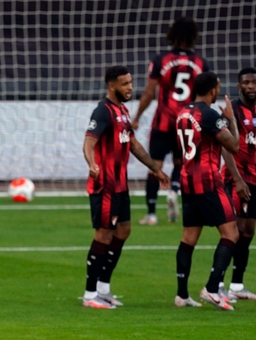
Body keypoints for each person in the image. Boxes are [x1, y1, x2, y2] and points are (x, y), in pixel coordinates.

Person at [81, 65, 170, 309]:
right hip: (105, 186)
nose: (130, 87)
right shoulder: (102, 111)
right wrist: (92, 164)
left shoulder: (122, 110)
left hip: (120, 185)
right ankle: (90, 294)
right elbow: (88, 142)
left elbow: (133, 144)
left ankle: (103, 288)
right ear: (112, 86)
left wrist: (155, 169)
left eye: (130, 82)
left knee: (124, 231)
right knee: (103, 235)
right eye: (125, 84)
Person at [174, 71, 246, 311]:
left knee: (189, 238)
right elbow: (234, 146)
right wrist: (230, 119)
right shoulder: (209, 115)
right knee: (231, 233)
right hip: (207, 181)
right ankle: (212, 288)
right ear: (213, 89)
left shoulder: (183, 113)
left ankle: (182, 295)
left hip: (187, 179)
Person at [132, 16, 210, 225]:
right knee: (181, 163)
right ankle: (174, 191)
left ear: (172, 34)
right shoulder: (202, 63)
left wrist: (136, 118)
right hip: (187, 123)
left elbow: (149, 93)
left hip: (163, 122)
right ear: (193, 36)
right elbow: (206, 96)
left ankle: (151, 214)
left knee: (154, 166)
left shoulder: (161, 60)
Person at [217, 68, 256, 302]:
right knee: (233, 231)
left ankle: (237, 285)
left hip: (255, 178)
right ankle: (218, 284)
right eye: (246, 82)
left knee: (248, 232)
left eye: (254, 82)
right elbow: (225, 146)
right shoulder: (232, 112)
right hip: (235, 178)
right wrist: (237, 179)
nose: (251, 86)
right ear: (239, 87)